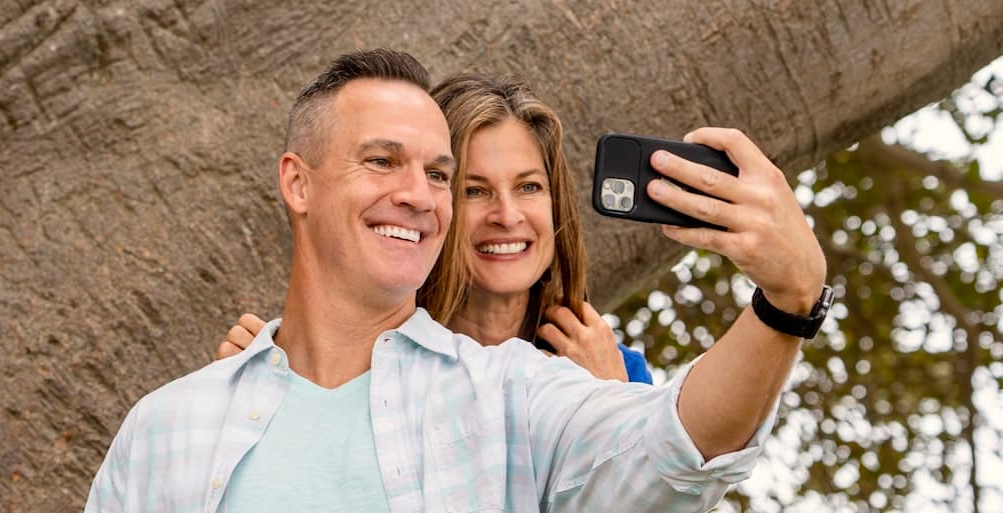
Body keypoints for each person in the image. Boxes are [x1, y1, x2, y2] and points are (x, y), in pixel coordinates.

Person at [85, 48, 828, 513]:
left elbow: (672, 446)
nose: (418, 193)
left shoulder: (517, 395)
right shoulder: (170, 426)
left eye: (438, 174)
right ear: (298, 183)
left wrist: (787, 301)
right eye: (383, 161)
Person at [218, 72, 651, 383]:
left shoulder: (615, 370)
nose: (507, 215)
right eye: (473, 191)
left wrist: (613, 407)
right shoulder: (349, 362)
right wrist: (262, 394)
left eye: (529, 187)